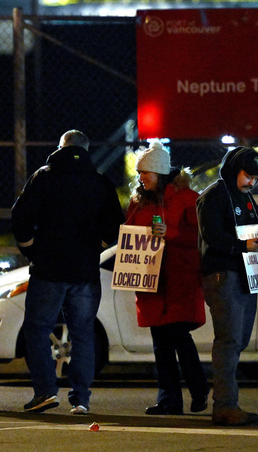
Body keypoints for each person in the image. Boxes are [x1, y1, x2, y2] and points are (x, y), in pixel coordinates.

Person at [12, 129, 124, 414]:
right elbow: (115, 224)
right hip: (85, 272)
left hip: (48, 269)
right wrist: (95, 247)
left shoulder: (44, 176)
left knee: (37, 329)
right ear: (85, 150)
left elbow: (21, 216)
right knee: (83, 333)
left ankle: (46, 391)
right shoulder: (99, 182)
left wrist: (31, 249)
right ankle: (82, 399)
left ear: (60, 147)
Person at [196, 146, 258, 426]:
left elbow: (255, 240)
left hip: (246, 275)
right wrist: (242, 246)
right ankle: (224, 406)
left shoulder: (247, 200)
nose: (252, 182)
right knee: (229, 341)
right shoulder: (213, 196)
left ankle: (227, 403)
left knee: (237, 341)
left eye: (256, 177)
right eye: (248, 175)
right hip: (224, 276)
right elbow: (212, 236)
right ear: (235, 170)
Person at [125, 141, 209, 415]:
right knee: (162, 343)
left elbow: (201, 238)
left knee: (178, 337)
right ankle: (169, 400)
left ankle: (197, 389)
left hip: (179, 280)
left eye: (145, 173)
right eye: (139, 173)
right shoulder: (138, 203)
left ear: (159, 173)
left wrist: (170, 235)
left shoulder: (188, 198)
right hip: (151, 282)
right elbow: (129, 236)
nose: (140, 178)